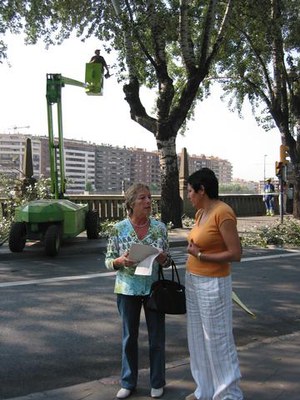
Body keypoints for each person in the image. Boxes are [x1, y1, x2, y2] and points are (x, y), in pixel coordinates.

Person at [105, 183, 171, 399]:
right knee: (129, 337)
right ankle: (128, 382)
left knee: (157, 338)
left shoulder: (159, 228)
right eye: (142, 198)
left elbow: (168, 261)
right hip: (127, 289)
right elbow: (108, 261)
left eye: (150, 197)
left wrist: (163, 259)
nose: (148, 202)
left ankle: (157, 382)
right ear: (131, 203)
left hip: (153, 289)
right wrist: (120, 261)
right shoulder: (118, 228)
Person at [184, 168, 243, 400]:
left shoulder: (223, 212)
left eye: (190, 191)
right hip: (194, 280)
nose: (188, 196)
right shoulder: (201, 213)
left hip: (213, 283)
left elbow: (236, 253)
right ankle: (205, 390)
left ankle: (229, 394)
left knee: (218, 339)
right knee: (197, 337)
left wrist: (201, 257)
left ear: (202, 190)